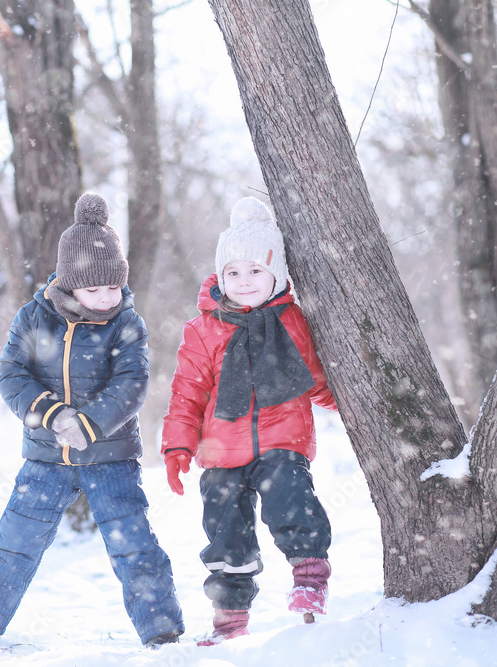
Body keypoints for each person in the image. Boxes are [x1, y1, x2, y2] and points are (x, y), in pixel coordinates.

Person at [0, 192, 185, 648]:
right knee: (17, 538)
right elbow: (12, 374)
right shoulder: (34, 317)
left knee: (133, 543)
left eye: (114, 287)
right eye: (94, 289)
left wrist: (89, 424)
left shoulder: (126, 322)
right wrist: (52, 415)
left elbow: (132, 382)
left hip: (110, 454)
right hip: (46, 455)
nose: (107, 298)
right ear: (70, 283)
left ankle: (162, 630)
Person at [161, 197, 338, 645]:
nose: (243, 282)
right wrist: (177, 446)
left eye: (255, 271)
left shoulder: (293, 321)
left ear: (276, 274)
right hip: (221, 452)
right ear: (220, 276)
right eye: (233, 273)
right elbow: (188, 392)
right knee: (225, 534)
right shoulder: (204, 329)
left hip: (284, 441)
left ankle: (310, 578)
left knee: (291, 499)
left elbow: (314, 374)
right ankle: (230, 619)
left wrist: (346, 405)